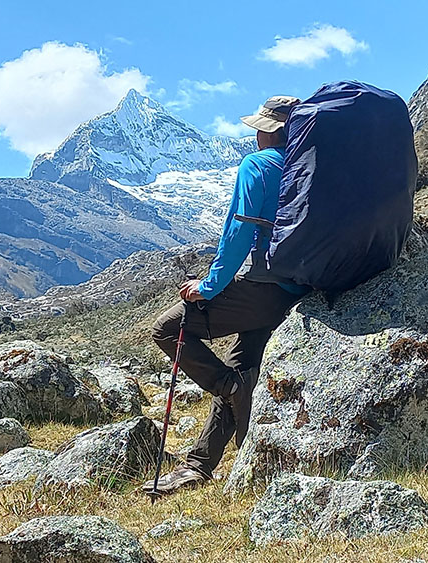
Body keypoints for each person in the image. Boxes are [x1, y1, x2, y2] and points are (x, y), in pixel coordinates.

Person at [143, 95, 310, 495]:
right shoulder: (309, 169)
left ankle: (231, 390)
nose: (255, 134)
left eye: (260, 127)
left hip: (262, 287)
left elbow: (239, 233)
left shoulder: (260, 164)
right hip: (299, 291)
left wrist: (208, 286)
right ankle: (200, 465)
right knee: (240, 371)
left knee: (167, 329)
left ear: (269, 131)